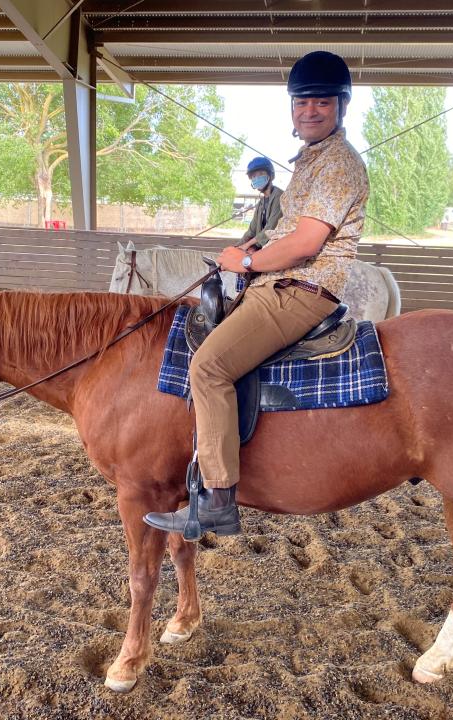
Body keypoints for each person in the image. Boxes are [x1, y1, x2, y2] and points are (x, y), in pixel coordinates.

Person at [144, 51, 369, 538]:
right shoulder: (312, 160)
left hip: (301, 289)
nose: (310, 110)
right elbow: (285, 228)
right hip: (279, 282)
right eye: (302, 102)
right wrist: (252, 245)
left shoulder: (338, 164)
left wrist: (245, 263)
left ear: (342, 107)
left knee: (209, 366)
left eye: (322, 103)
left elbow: (307, 243)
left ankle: (219, 496)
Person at [240, 156, 284, 252]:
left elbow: (270, 229)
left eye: (260, 174)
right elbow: (251, 231)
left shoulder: (280, 197)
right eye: (253, 176)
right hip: (264, 247)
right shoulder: (261, 203)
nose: (256, 178)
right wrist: (237, 246)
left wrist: (247, 245)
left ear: (271, 175)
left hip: (277, 247)